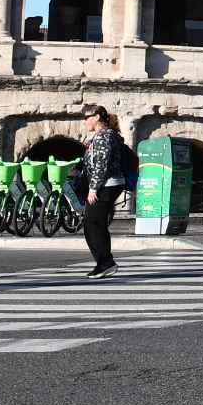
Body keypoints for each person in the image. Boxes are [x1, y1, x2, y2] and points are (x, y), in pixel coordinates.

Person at [78, 104, 127, 279]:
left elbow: (101, 165)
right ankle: (105, 262)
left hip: (106, 185)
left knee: (92, 224)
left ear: (97, 117)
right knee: (96, 223)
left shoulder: (104, 136)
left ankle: (106, 262)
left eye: (87, 117)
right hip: (108, 184)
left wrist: (93, 189)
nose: (85, 121)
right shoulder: (102, 136)